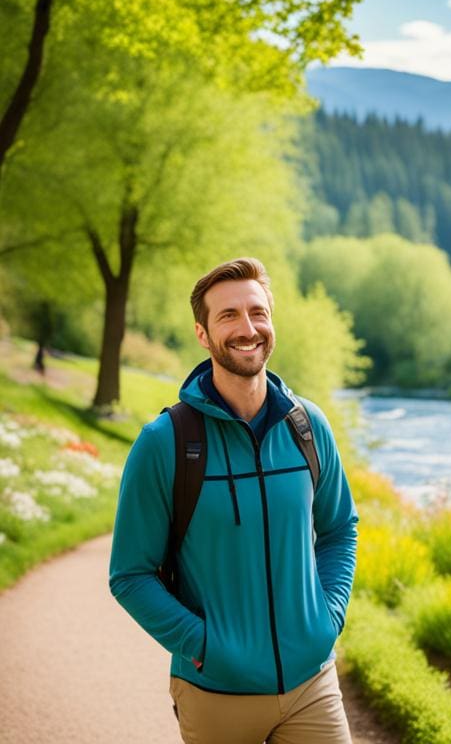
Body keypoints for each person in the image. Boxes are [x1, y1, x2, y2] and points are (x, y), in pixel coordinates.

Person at [109, 257, 358, 744]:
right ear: (202, 334)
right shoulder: (166, 442)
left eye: (257, 312)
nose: (248, 328)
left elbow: (338, 528)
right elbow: (129, 575)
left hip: (313, 684)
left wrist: (328, 616)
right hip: (215, 691)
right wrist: (201, 644)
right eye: (228, 316)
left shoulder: (308, 427)